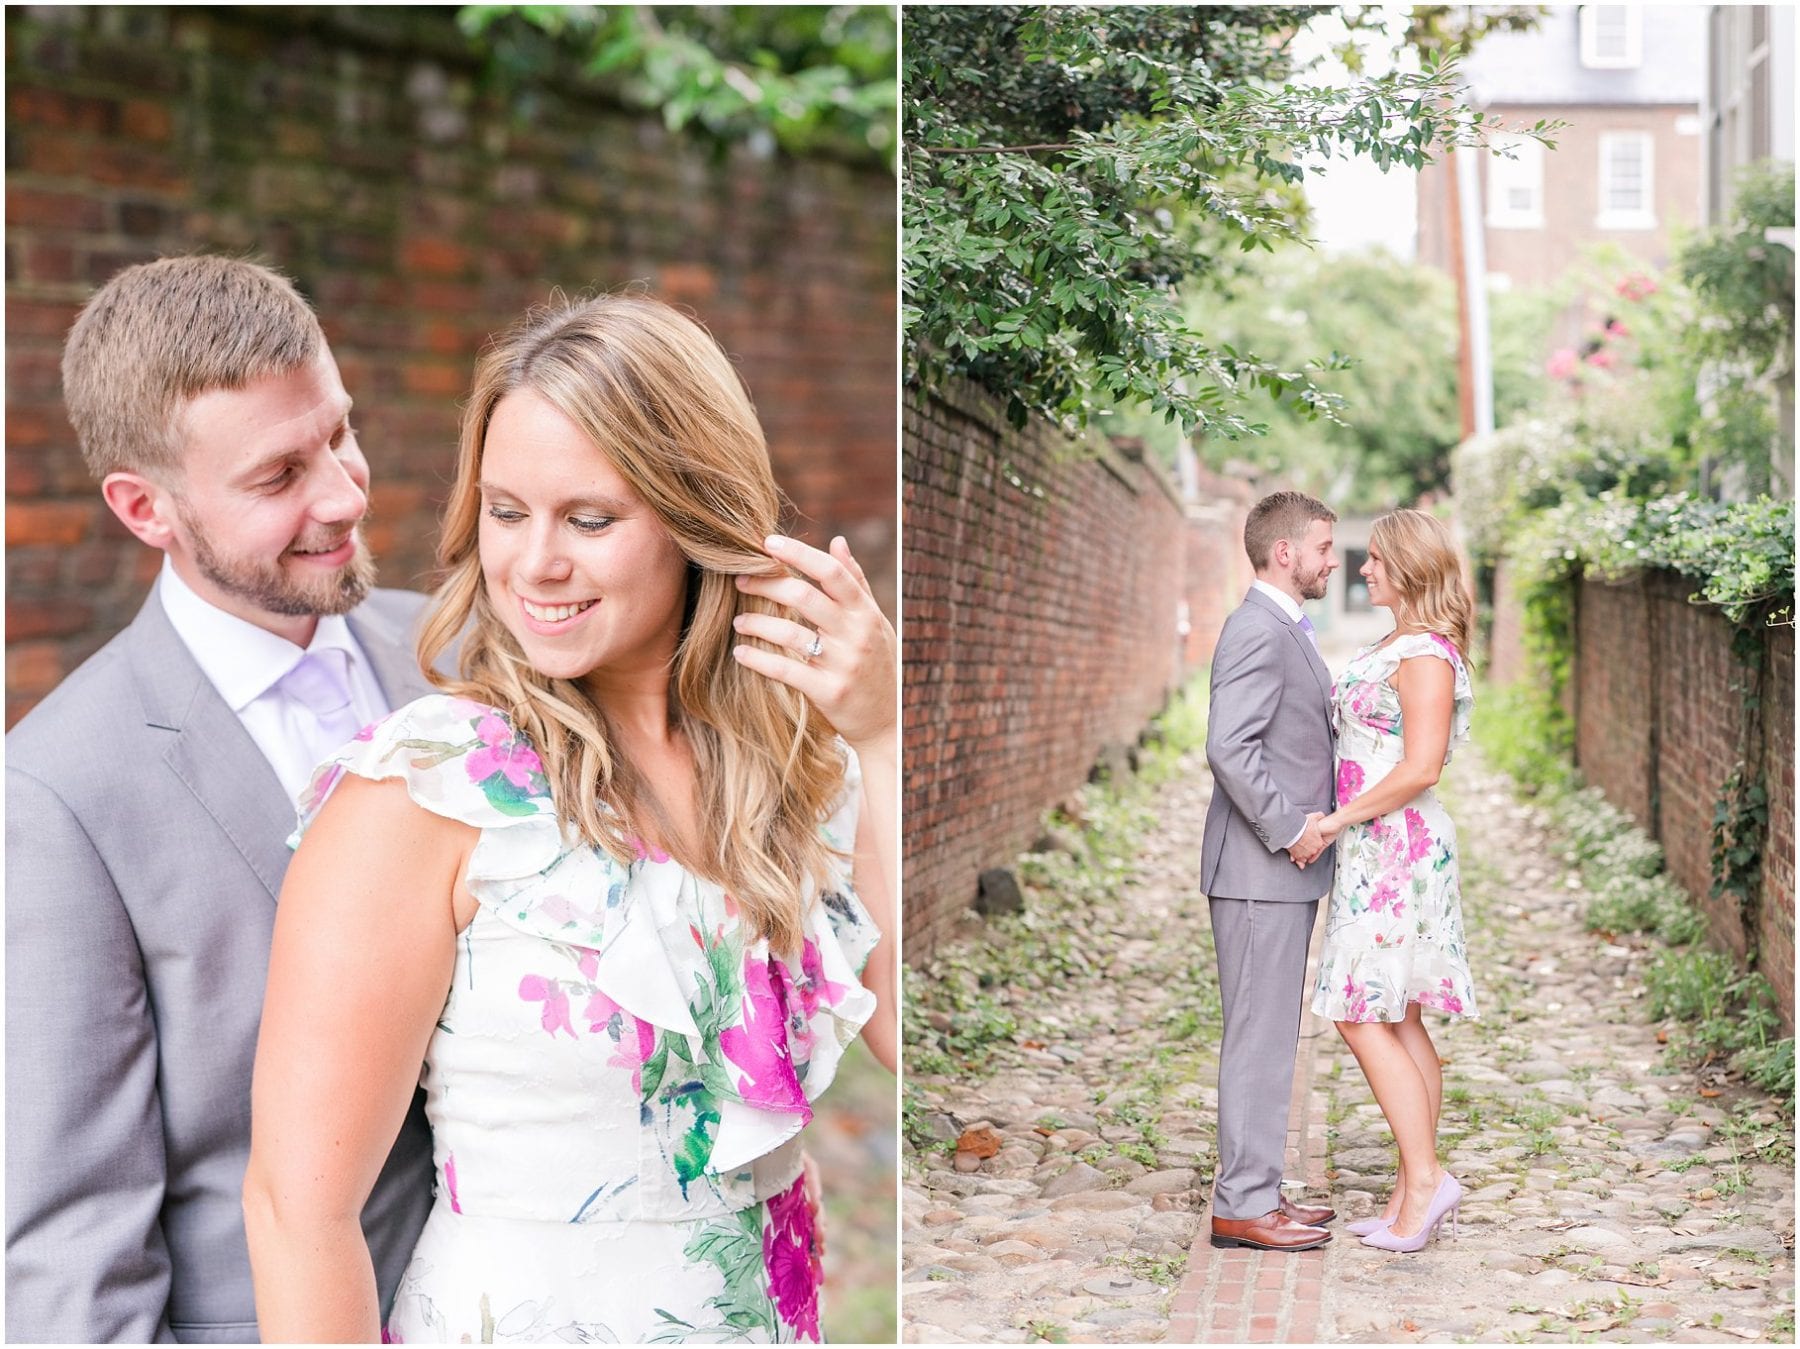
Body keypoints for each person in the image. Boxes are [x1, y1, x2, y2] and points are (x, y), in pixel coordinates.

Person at [242, 293, 899, 1343]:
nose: (534, 563)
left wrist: (877, 734)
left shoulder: (787, 758)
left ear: (698, 517)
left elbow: (910, 1034)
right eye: (506, 511)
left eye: (589, 519)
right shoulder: (426, 789)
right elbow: (297, 1209)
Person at [4, 256, 435, 1341]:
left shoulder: (459, 650)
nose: (341, 492)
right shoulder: (59, 794)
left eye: (339, 433)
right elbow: (72, 1243)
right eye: (277, 475)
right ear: (145, 506)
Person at [1311, 508, 1478, 1253]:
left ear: (1409, 567)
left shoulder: (1426, 655)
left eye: (1376, 559)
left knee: (1359, 1011)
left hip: (1395, 848)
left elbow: (1422, 766)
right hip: (1379, 844)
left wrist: (1337, 820)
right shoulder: (1398, 644)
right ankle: (1413, 1189)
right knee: (1399, 1013)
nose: (1363, 568)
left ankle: (1427, 1176)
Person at [1200, 490, 1342, 1254]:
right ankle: (1243, 1203)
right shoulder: (1257, 628)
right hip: (1260, 868)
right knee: (1258, 1036)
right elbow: (1231, 746)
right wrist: (1293, 829)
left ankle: (1258, 1183)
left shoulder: (1284, 626)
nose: (1332, 559)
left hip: (1276, 875)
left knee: (1271, 1034)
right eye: (1323, 546)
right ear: (1284, 552)